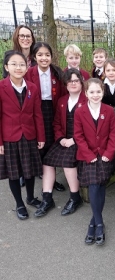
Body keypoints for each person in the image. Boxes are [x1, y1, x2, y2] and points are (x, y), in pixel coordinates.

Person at [34, 69, 86, 217]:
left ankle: (75, 198)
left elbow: (90, 126)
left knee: (67, 162)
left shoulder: (87, 100)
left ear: (81, 82)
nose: (73, 83)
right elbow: (56, 123)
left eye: (76, 80)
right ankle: (47, 198)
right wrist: (61, 139)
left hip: (80, 141)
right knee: (47, 161)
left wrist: (74, 140)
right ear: (66, 84)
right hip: (64, 140)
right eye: (70, 81)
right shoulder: (62, 101)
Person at [0, 51, 45, 220]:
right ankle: (19, 203)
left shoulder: (32, 87)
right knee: (14, 173)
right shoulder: (1, 87)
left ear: (27, 67)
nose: (18, 67)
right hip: (9, 137)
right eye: (14, 64)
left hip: (29, 136)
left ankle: (31, 197)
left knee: (29, 170)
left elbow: (37, 114)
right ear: (7, 67)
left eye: (22, 64)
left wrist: (40, 137)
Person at [74, 78, 115, 246]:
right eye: (91, 92)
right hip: (88, 156)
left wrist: (109, 153)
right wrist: (88, 154)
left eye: (98, 91)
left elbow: (113, 134)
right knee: (94, 185)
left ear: (103, 92)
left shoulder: (109, 110)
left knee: (100, 185)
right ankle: (99, 223)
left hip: (105, 155)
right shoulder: (80, 112)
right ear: (86, 93)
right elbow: (78, 135)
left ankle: (93, 222)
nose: (95, 95)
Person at [25, 42, 66, 192]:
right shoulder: (29, 73)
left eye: (47, 55)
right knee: (37, 142)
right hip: (35, 110)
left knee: (50, 143)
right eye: (40, 55)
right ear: (35, 57)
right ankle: (35, 173)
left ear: (51, 57)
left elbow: (62, 94)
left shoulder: (56, 73)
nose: (44, 58)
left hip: (52, 109)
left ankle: (51, 178)